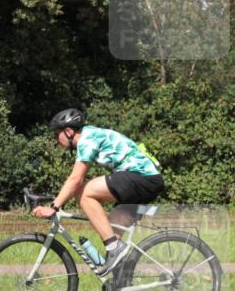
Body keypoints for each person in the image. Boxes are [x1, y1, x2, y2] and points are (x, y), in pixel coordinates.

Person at [32, 108, 164, 277]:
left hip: (143, 178)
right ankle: (120, 290)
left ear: (68, 131)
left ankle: (114, 248)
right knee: (112, 236)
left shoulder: (87, 139)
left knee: (83, 192)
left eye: (57, 134)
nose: (56, 139)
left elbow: (75, 180)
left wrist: (54, 207)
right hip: (142, 180)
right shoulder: (91, 135)